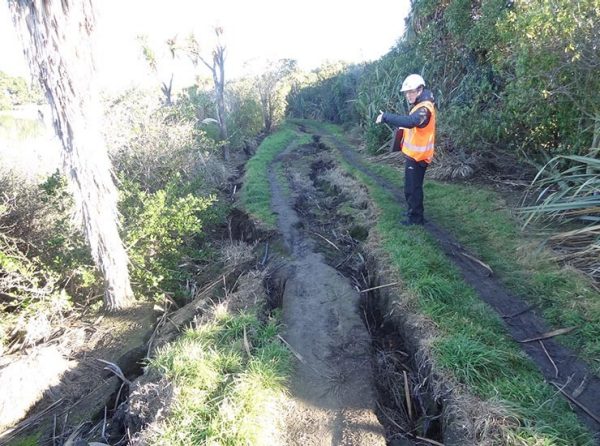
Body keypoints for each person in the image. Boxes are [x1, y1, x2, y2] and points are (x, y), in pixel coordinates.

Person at [376, 74, 436, 226]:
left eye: (411, 91)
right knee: (411, 187)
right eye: (406, 92)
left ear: (420, 89)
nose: (408, 95)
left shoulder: (425, 109)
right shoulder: (420, 105)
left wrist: (386, 117)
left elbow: (412, 122)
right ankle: (413, 211)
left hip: (419, 157)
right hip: (414, 155)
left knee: (413, 188)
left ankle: (416, 218)